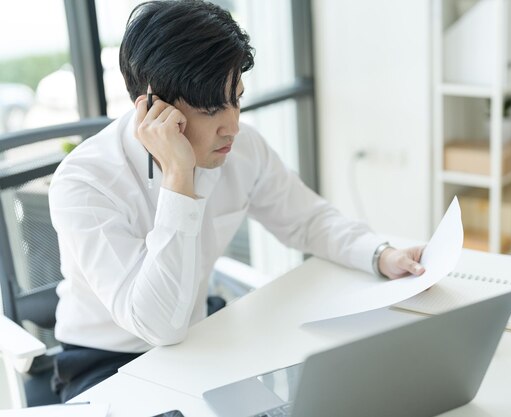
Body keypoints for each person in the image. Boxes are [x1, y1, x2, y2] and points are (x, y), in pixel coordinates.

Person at [48, 0, 425, 401]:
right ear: (153, 108)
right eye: (212, 108)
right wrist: (180, 177)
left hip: (200, 338)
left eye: (237, 99)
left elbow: (306, 220)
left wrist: (380, 254)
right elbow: (156, 324)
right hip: (108, 363)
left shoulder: (239, 149)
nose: (233, 124)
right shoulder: (84, 184)